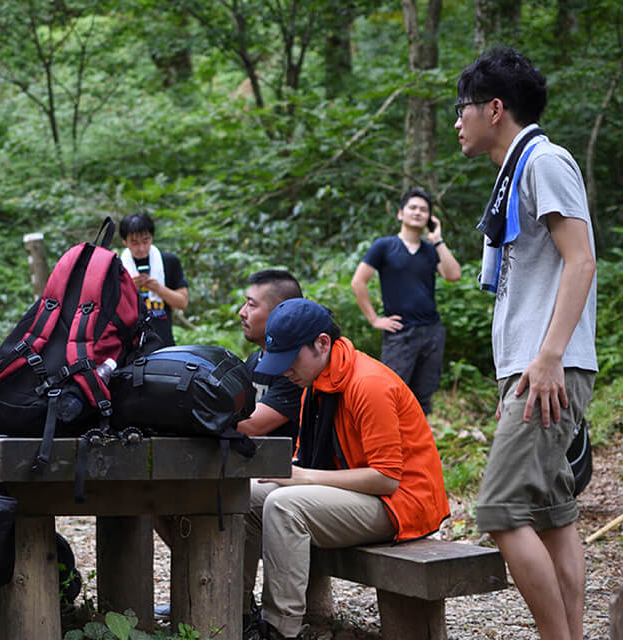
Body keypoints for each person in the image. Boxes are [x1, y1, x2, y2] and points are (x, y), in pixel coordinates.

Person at [455, 47, 598, 640]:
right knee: (552, 515)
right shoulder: (516, 171)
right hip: (533, 367)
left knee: (499, 511)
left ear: (495, 108)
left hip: (549, 365)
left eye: (462, 108)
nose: (456, 121)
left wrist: (546, 359)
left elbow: (581, 261)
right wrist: (519, 368)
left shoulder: (544, 161)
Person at [245, 298, 449, 640]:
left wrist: (301, 478)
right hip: (357, 493)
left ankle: (279, 630)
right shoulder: (315, 382)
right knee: (249, 495)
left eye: (290, 360)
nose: (284, 371)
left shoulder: (368, 383)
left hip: (401, 504)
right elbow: (306, 459)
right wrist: (296, 474)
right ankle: (237, 612)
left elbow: (386, 478)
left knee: (284, 506)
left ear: (322, 343)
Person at [350, 188, 462, 414]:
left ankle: (418, 446)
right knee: (391, 392)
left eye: (423, 209)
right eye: (413, 207)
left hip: (431, 331)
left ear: (429, 218)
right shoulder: (384, 246)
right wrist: (374, 319)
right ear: (401, 214)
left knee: (424, 398)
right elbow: (358, 282)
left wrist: (438, 239)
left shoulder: (431, 251)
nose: (418, 212)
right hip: (400, 333)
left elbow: (453, 275)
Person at [237, 269, 305, 439]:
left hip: (288, 464)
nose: (242, 312)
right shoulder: (254, 360)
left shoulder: (296, 369)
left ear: (280, 312)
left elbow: (252, 426)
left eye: (251, 305)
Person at [119, 213, 189, 347]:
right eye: (134, 243)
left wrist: (157, 288)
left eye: (146, 241)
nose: (141, 248)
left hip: (163, 342)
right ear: (124, 242)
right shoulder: (117, 266)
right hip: (129, 344)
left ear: (152, 237)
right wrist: (127, 286)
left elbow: (183, 302)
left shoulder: (169, 261)